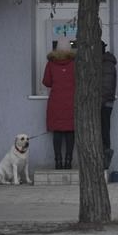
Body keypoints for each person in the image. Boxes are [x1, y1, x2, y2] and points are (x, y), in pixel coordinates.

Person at [42, 37, 76, 170]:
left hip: (56, 102)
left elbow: (46, 82)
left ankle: (58, 161)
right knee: (70, 132)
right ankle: (68, 161)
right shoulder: (75, 63)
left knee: (57, 132)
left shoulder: (51, 63)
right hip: (71, 102)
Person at [101, 41, 117, 170]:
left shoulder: (106, 65)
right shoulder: (107, 63)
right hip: (105, 102)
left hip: (104, 103)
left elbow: (107, 87)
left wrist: (98, 103)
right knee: (104, 130)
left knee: (104, 131)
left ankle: (104, 159)